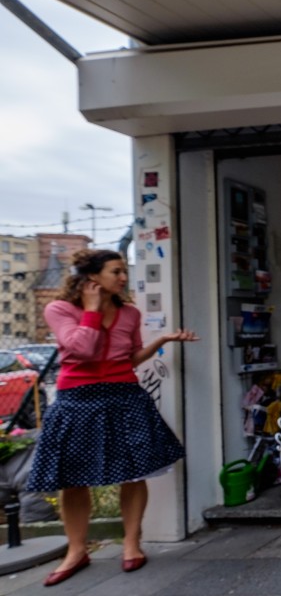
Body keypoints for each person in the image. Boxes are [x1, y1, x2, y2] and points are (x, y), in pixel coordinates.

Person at [26, 249, 198, 587]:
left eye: (123, 272)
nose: (123, 278)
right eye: (116, 271)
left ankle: (132, 543)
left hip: (125, 397)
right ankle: (76, 550)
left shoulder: (130, 313)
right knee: (73, 479)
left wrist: (163, 339)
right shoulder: (60, 309)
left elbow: (131, 359)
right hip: (77, 400)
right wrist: (91, 311)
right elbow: (82, 349)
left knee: (134, 473)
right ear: (92, 278)